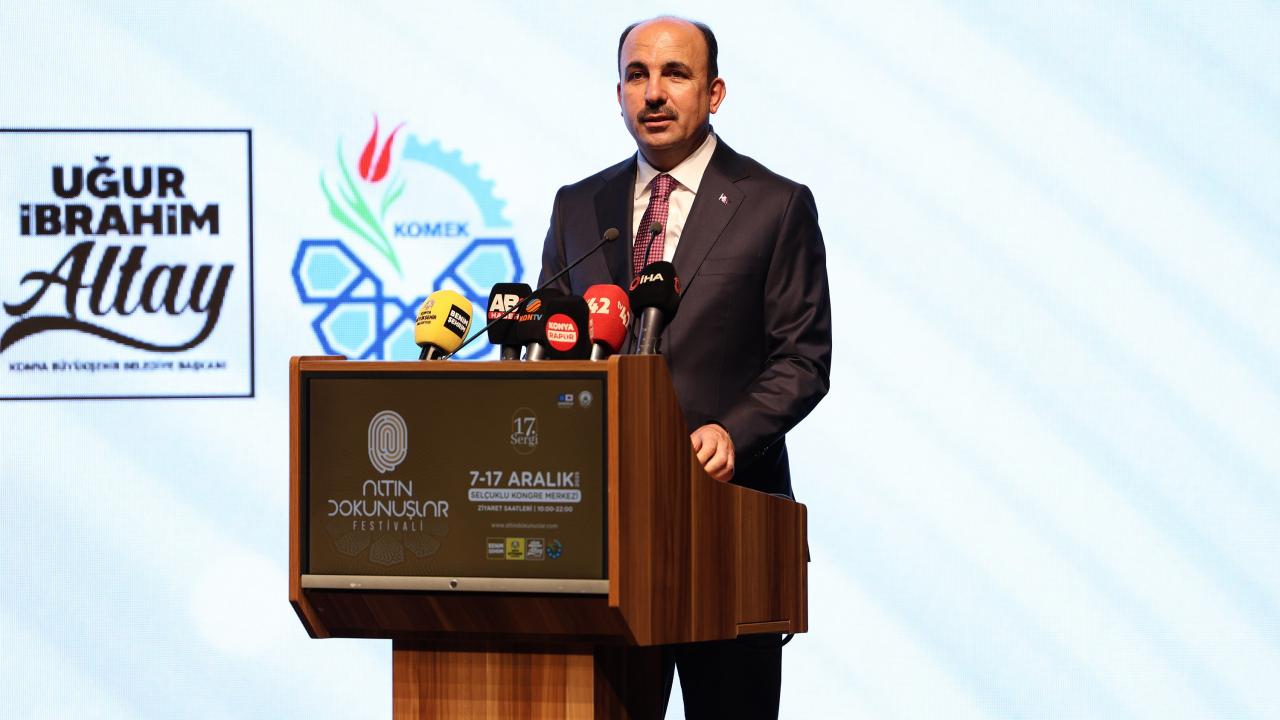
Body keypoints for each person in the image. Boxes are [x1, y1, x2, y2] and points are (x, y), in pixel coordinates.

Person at [537, 15, 832, 719]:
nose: (654, 93)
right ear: (618, 93)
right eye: (637, 75)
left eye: (675, 74)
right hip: (599, 537)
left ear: (714, 92)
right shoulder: (579, 206)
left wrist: (733, 431)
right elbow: (555, 342)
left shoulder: (774, 204)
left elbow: (802, 357)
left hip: (727, 532)